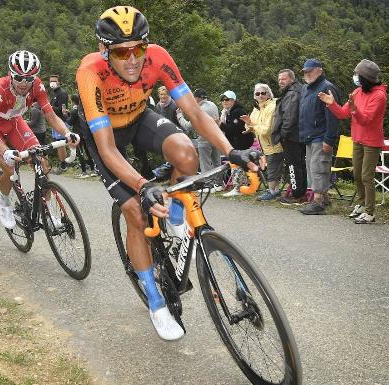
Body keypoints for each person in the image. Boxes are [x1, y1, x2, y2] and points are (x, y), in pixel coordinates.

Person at [76, 6, 261, 341]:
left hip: (139, 117)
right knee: (134, 209)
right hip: (105, 136)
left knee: (186, 153)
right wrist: (144, 186)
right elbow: (106, 149)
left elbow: (194, 112)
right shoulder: (90, 72)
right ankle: (154, 299)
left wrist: (229, 151)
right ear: (105, 50)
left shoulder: (158, 58)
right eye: (121, 52)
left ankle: (176, 219)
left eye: (138, 48)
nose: (132, 60)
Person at [0, 50, 79, 230]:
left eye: (29, 79)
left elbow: (51, 116)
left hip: (14, 121)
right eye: (19, 78)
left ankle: (46, 212)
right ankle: (4, 202)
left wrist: (66, 133)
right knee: (9, 167)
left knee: (43, 163)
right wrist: (5, 151)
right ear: (10, 75)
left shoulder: (37, 86)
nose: (24, 83)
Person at [318, 59, 387, 223]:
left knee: (366, 177)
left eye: (357, 74)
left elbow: (367, 120)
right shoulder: (357, 92)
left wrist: (355, 110)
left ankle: (370, 212)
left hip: (372, 141)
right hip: (358, 139)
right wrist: (332, 104)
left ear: (365, 77)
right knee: (357, 174)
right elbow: (342, 113)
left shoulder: (379, 96)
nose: (354, 76)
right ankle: (362, 205)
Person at [298, 58, 340, 215]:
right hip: (309, 135)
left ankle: (318, 202)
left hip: (321, 136)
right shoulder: (306, 88)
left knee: (318, 167)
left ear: (320, 70)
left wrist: (329, 139)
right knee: (311, 167)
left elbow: (333, 116)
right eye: (305, 71)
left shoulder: (327, 87)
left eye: (310, 70)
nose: (307, 73)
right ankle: (325, 198)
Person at [241, 83, 284, 201]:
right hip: (264, 145)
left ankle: (272, 191)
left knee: (273, 167)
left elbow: (267, 130)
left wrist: (252, 126)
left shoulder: (272, 106)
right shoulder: (257, 107)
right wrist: (248, 125)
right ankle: (274, 190)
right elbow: (251, 123)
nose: (260, 95)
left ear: (268, 94)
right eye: (257, 93)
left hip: (274, 143)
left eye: (263, 93)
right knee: (270, 167)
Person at [272, 69, 308, 205]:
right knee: (300, 164)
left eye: (284, 79)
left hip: (291, 136)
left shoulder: (292, 93)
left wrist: (283, 134)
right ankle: (301, 194)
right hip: (300, 134)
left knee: (293, 166)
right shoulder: (300, 89)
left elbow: (290, 115)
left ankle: (296, 195)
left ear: (291, 79)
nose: (281, 81)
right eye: (279, 79)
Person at [219, 90, 254, 197]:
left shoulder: (238, 111)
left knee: (238, 164)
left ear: (233, 100)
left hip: (242, 142)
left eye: (227, 99)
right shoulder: (227, 112)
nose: (224, 102)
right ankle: (242, 186)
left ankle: (238, 188)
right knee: (237, 164)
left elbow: (236, 130)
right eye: (223, 100)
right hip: (235, 143)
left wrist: (220, 125)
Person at [193, 88, 222, 191]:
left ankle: (208, 185)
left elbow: (188, 126)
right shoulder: (213, 105)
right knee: (216, 161)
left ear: (196, 98)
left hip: (204, 139)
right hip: (216, 137)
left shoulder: (198, 110)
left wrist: (179, 116)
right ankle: (219, 184)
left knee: (205, 163)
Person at [66, 94, 96, 178]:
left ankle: (84, 172)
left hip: (77, 135)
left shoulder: (74, 111)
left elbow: (70, 122)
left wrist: (65, 116)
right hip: (85, 132)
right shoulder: (82, 109)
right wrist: (70, 114)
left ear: (72, 101)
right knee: (88, 151)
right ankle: (93, 169)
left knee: (80, 152)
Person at [48, 74, 70, 174]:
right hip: (55, 122)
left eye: (54, 81)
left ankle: (64, 166)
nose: (52, 83)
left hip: (61, 121)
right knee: (58, 144)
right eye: (50, 81)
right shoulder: (54, 94)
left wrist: (49, 107)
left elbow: (62, 111)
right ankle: (62, 164)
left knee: (61, 144)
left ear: (59, 82)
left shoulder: (62, 93)